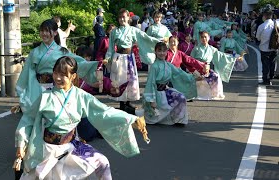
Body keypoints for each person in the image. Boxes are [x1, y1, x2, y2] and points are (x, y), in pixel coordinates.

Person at [15, 56, 148, 179]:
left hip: (72, 146)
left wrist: (131, 119)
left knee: (102, 163)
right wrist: (21, 144)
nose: (58, 78)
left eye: (63, 75)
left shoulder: (81, 96)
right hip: (48, 149)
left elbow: (103, 111)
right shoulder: (45, 97)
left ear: (73, 76)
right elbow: (28, 120)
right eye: (56, 73)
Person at [104, 8, 160, 115]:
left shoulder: (133, 30)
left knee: (130, 80)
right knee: (119, 80)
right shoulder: (115, 31)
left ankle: (128, 102)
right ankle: (121, 103)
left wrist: (158, 42)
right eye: (120, 17)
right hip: (118, 57)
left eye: (124, 17)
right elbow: (111, 47)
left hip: (129, 58)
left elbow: (145, 38)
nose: (122, 19)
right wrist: (108, 58)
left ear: (128, 18)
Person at [143, 42, 198, 125]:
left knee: (181, 97)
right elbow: (150, 83)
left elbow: (180, 73)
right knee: (153, 117)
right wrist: (152, 100)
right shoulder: (154, 66)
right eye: (159, 51)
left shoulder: (169, 65)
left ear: (166, 52)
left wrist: (193, 77)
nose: (162, 53)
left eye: (163, 51)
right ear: (155, 52)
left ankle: (178, 119)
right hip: (156, 93)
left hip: (165, 90)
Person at [190, 31, 237, 100]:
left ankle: (214, 93)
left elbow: (221, 56)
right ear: (200, 38)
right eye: (202, 37)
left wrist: (234, 58)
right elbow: (190, 60)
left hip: (207, 69)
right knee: (194, 77)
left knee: (216, 76)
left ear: (208, 38)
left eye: (205, 37)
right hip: (197, 69)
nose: (204, 39)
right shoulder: (196, 49)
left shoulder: (212, 49)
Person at [256, 9, 277, 85]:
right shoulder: (276, 24)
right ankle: (271, 77)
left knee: (265, 65)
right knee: (272, 63)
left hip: (264, 48)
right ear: (271, 16)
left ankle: (266, 80)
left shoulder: (262, 26)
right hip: (274, 47)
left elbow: (258, 37)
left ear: (264, 16)